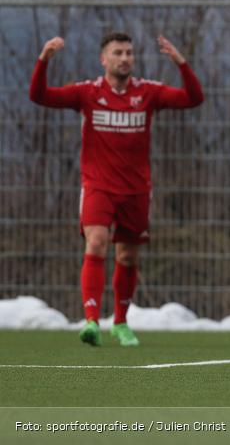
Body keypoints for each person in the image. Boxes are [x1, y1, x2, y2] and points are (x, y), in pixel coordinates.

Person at [29, 32, 204, 347]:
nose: (125, 58)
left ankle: (121, 323)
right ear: (104, 59)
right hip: (98, 185)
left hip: (136, 190)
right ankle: (92, 321)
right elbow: (39, 96)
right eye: (118, 53)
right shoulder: (87, 93)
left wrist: (180, 62)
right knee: (96, 242)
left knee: (127, 256)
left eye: (129, 53)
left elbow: (194, 98)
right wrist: (43, 59)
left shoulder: (148, 93)